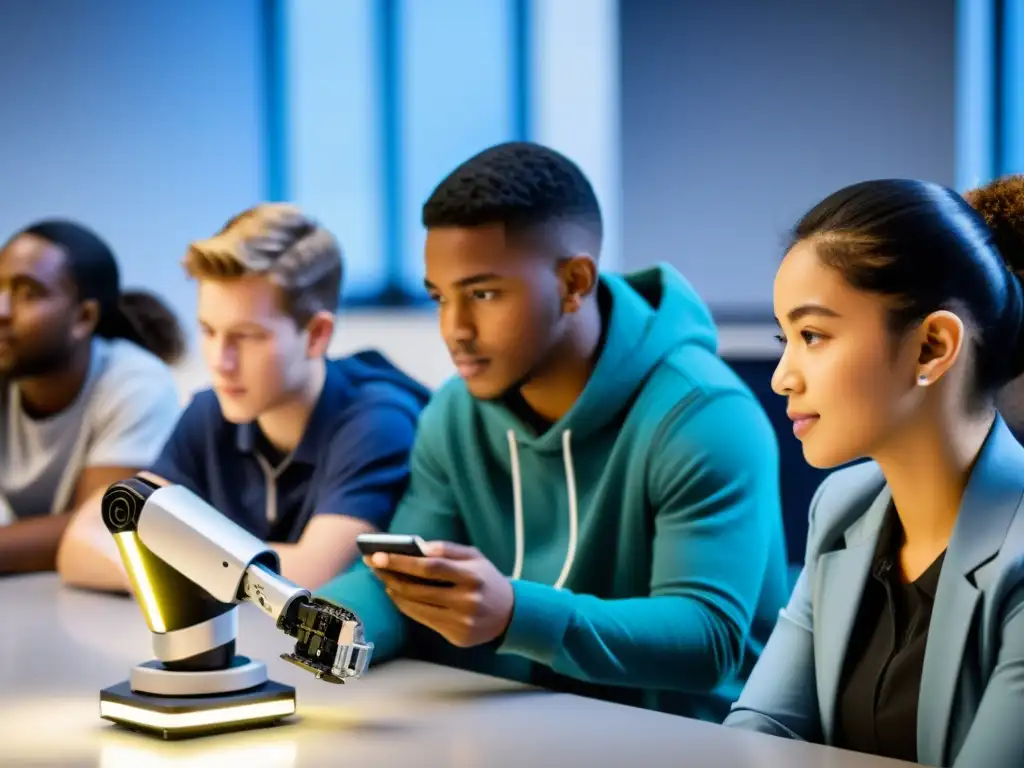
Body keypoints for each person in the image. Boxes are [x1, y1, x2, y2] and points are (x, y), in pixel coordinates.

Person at [316, 141, 789, 720]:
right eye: (440, 297)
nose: (454, 329)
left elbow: (708, 639)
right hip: (513, 724)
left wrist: (516, 612)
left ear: (573, 282)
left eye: (483, 294)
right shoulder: (454, 412)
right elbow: (406, 584)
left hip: (681, 741)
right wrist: (316, 624)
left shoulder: (704, 414)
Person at [723, 177, 1024, 767]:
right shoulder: (842, 505)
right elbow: (760, 728)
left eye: (812, 335)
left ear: (932, 347)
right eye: (784, 338)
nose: (783, 376)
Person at [58, 203, 430, 590]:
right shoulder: (211, 410)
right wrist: (212, 571)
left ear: (317, 334)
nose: (221, 361)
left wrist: (160, 561)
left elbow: (309, 576)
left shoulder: (379, 421)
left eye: (247, 336)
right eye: (208, 330)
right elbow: (82, 541)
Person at [0, 219, 184, 575]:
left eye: (28, 293)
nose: (2, 310)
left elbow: (103, 527)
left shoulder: (136, 383)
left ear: (83, 317)